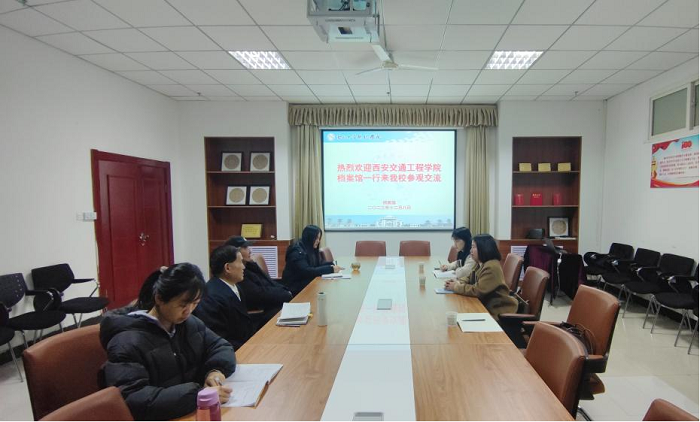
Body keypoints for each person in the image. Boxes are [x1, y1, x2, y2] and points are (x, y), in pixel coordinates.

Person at [100, 263, 236, 421]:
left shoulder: (188, 324)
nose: (188, 311)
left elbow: (220, 346)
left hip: (189, 412)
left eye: (195, 304)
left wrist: (215, 370)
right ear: (159, 298)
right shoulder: (127, 341)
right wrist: (197, 396)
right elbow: (133, 398)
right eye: (182, 305)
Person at [193, 245, 256, 350]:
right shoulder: (211, 297)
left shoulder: (235, 287)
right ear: (228, 268)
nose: (244, 267)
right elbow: (218, 338)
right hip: (231, 350)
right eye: (240, 262)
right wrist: (249, 348)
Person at [444, 234, 518, 320]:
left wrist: (456, 287)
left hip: (497, 312)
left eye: (473, 247)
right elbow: (469, 278)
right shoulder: (480, 262)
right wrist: (457, 282)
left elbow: (477, 291)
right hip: (484, 306)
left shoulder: (491, 267)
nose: (470, 250)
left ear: (483, 248)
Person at [225, 236, 292, 328]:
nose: (250, 250)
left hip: (269, 304)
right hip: (259, 314)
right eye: (245, 247)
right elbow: (259, 294)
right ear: (235, 252)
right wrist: (286, 294)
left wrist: (285, 291)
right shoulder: (238, 275)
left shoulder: (250, 266)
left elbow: (269, 282)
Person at [282, 225, 343, 296]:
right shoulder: (297, 252)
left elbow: (317, 264)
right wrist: (331, 269)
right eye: (316, 238)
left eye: (319, 238)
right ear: (309, 238)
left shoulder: (309, 248)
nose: (318, 241)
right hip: (296, 289)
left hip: (307, 284)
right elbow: (307, 271)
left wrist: (331, 264)